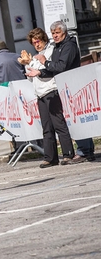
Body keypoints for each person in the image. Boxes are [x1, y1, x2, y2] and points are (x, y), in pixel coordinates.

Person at [27, 20, 95, 164]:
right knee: (52, 125)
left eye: (57, 33)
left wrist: (45, 63)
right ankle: (53, 157)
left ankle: (77, 152)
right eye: (53, 33)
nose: (55, 35)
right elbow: (52, 68)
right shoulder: (58, 47)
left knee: (68, 122)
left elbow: (60, 67)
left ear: (64, 32)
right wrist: (38, 70)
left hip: (62, 88)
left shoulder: (67, 46)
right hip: (57, 89)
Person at [19, 27, 75, 168]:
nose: (37, 45)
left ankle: (68, 154)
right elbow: (32, 77)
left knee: (59, 124)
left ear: (44, 39)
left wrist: (30, 63)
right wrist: (27, 65)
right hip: (40, 93)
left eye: (38, 41)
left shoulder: (50, 51)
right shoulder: (34, 55)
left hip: (52, 90)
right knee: (46, 127)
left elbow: (47, 69)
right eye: (34, 43)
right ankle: (50, 157)